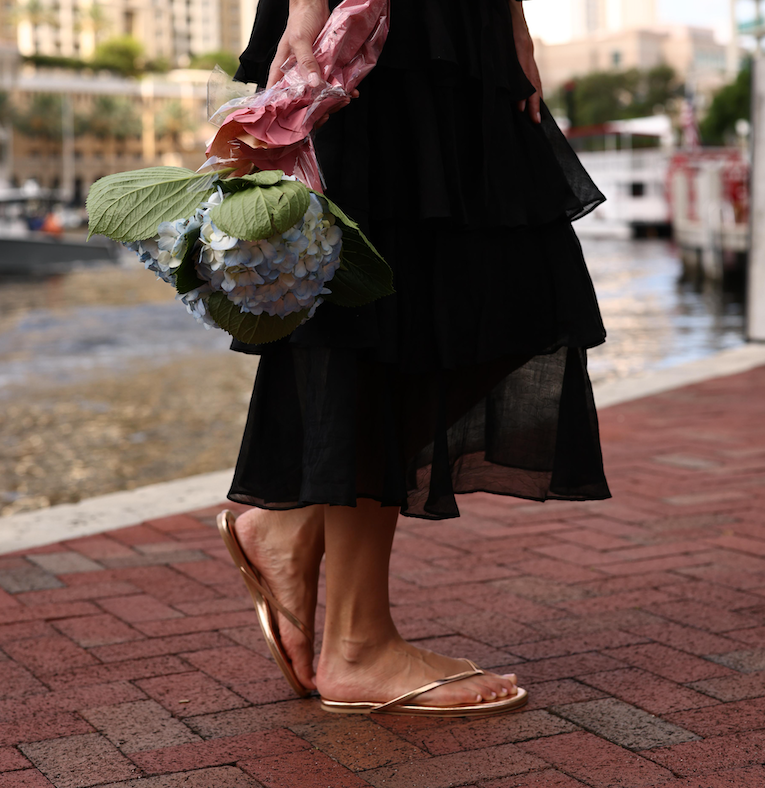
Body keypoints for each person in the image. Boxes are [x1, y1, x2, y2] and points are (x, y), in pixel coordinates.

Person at [218, 0, 610, 716]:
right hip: (383, 20)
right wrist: (308, 9)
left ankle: (294, 522)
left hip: (462, 24)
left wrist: (511, 23)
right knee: (387, 295)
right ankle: (357, 644)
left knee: (492, 292)